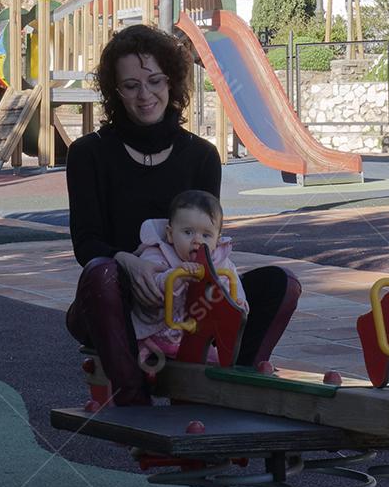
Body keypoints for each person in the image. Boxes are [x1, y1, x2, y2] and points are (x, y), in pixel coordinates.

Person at [65, 24, 301, 405]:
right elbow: (86, 243)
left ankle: (232, 386)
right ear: (115, 91)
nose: (145, 95)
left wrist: (189, 283)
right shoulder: (88, 153)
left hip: (185, 301)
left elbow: (204, 240)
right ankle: (133, 398)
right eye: (130, 86)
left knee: (282, 283)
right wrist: (129, 263)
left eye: (155, 81)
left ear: (172, 81)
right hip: (116, 301)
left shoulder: (201, 156)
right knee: (100, 272)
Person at [131, 189, 247, 366]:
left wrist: (237, 303)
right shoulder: (157, 253)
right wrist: (177, 276)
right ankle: (141, 365)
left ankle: (244, 368)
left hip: (193, 333)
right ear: (170, 234)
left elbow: (233, 286)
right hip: (156, 331)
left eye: (206, 235)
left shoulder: (222, 264)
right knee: (138, 358)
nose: (197, 240)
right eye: (188, 232)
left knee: (224, 360)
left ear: (217, 240)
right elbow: (152, 285)